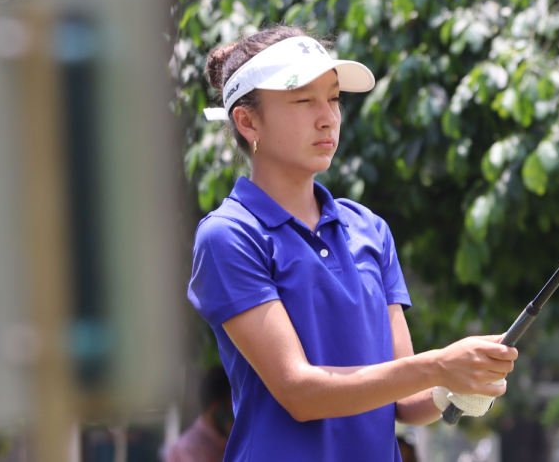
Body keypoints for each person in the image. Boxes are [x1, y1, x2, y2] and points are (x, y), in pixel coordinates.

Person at [188, 26, 517, 461]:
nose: (328, 116)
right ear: (247, 121)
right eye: (304, 100)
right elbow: (299, 392)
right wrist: (439, 365)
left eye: (334, 97)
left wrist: (452, 388)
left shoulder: (369, 229)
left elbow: (404, 401)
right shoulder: (230, 235)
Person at [164, 367, 234, 462]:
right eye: (232, 403)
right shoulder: (191, 447)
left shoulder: (222, 440)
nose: (234, 410)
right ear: (216, 406)